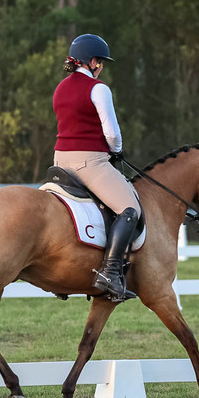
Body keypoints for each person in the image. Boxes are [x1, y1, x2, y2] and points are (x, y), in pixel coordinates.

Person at [52, 34, 141, 303]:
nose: (101, 66)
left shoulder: (60, 88)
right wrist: (117, 151)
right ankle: (110, 273)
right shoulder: (99, 89)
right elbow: (111, 132)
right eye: (100, 62)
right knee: (130, 209)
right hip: (89, 162)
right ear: (92, 62)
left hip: (59, 161)